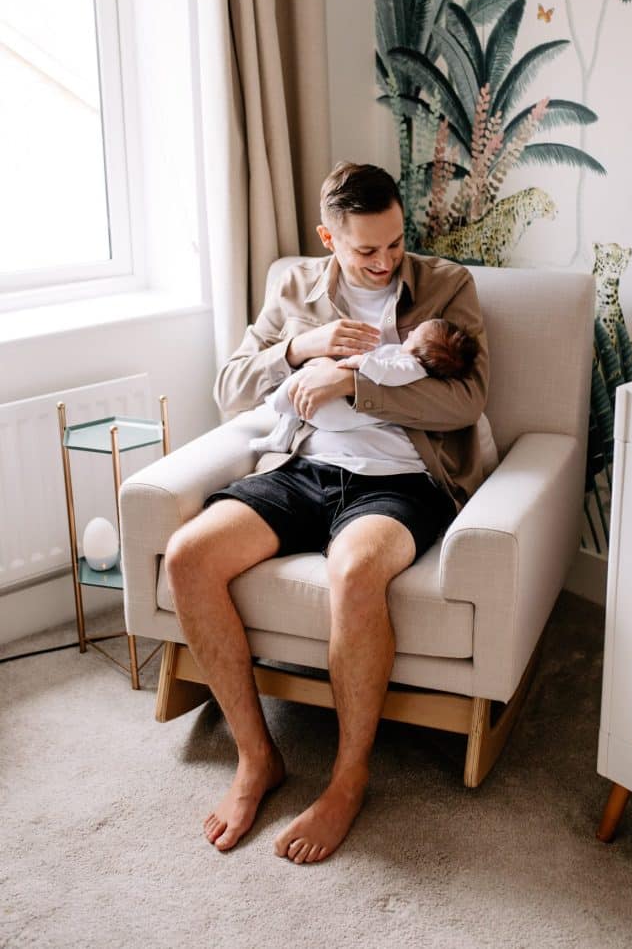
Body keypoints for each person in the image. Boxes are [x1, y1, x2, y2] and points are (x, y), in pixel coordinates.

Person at [164, 161, 489, 865]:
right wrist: (298, 348)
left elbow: (464, 401)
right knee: (190, 556)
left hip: (401, 479)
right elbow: (230, 386)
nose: (384, 262)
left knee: (354, 572)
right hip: (302, 468)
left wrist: (354, 384)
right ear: (328, 238)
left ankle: (348, 778)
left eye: (395, 243)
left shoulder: (446, 286)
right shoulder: (293, 286)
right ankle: (257, 759)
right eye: (364, 249)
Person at [250, 318, 479, 454]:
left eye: (414, 336)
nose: (408, 333)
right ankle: (282, 433)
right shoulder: (406, 358)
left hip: (342, 414)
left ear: (424, 354)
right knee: (308, 380)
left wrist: (355, 365)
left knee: (304, 379)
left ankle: (275, 405)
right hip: (336, 414)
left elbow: (388, 373)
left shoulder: (412, 366)